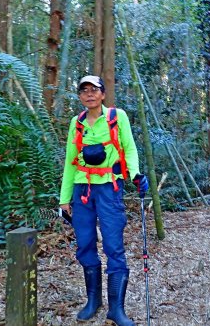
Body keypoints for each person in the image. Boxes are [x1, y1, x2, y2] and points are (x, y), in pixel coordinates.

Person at [59, 75, 149, 325]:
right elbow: (70, 161)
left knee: (113, 245)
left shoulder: (117, 117)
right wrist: (64, 199)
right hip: (82, 189)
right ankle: (93, 301)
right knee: (85, 244)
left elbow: (129, 148)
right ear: (80, 95)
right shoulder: (76, 123)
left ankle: (116, 309)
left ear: (103, 94)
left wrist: (135, 175)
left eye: (94, 90)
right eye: (84, 90)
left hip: (109, 188)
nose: (89, 94)